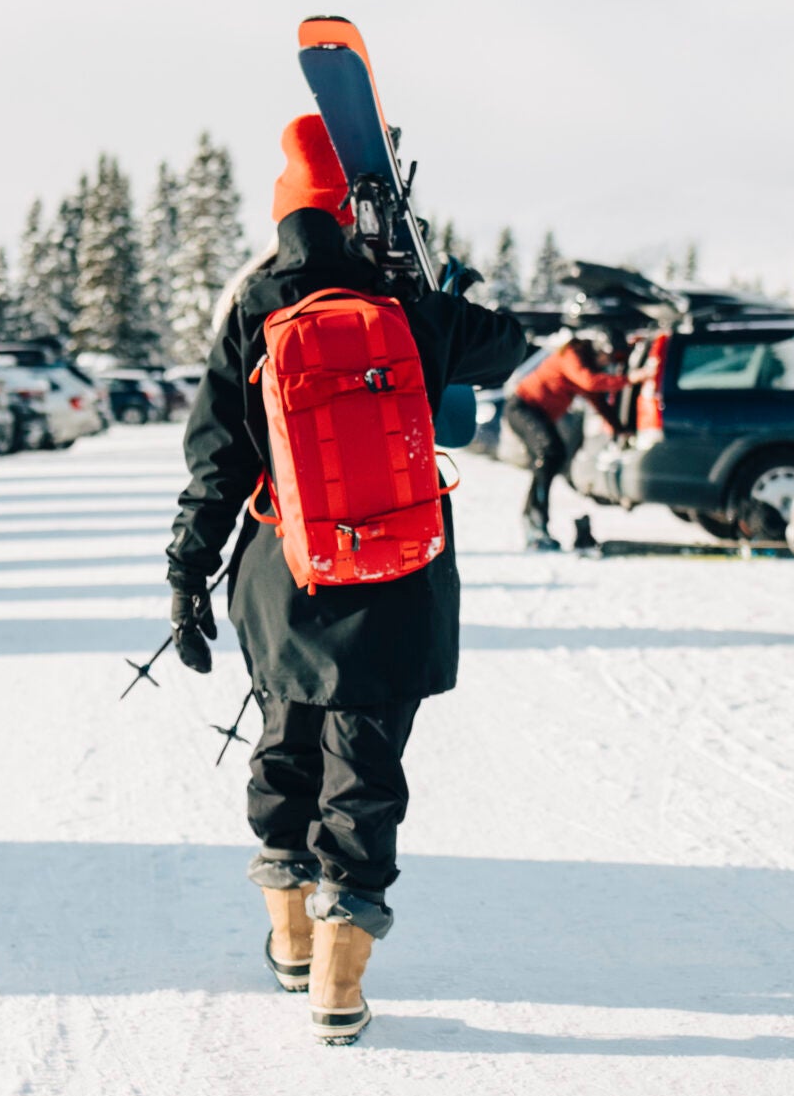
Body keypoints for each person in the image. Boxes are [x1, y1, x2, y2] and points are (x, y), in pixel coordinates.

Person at [166, 114, 528, 1045]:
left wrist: (186, 573)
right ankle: (337, 978)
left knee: (285, 743)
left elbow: (214, 461)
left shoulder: (253, 308)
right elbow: (511, 344)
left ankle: (289, 936)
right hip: (396, 584)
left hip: (284, 578)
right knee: (363, 771)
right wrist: (434, 281)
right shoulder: (403, 303)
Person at [503, 335, 624, 551]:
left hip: (537, 413)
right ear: (599, 349)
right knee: (550, 453)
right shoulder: (572, 355)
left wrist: (620, 429)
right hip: (522, 408)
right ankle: (535, 522)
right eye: (608, 358)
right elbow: (590, 381)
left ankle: (534, 520)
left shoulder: (586, 365)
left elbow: (598, 401)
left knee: (552, 458)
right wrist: (632, 378)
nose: (609, 364)